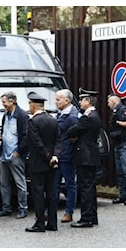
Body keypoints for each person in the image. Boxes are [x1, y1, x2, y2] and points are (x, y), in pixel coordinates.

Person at [25, 91, 60, 232]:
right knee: (51, 193)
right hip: (52, 163)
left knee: (38, 193)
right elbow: (58, 140)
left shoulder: (33, 122)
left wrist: (47, 156)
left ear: (33, 106)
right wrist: (55, 156)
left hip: (38, 163)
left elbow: (36, 142)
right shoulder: (53, 119)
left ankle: (39, 223)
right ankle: (52, 223)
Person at [68, 91, 101, 228]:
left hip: (85, 156)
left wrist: (73, 134)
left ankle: (86, 218)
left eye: (82, 100)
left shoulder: (87, 117)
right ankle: (92, 216)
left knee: (85, 188)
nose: (80, 103)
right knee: (91, 187)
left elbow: (72, 131)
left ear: (88, 101)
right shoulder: (95, 115)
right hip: (91, 156)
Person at [0, 92, 29, 219]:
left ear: (12, 101)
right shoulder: (5, 116)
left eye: (4, 102)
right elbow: (7, 133)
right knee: (4, 183)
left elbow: (26, 136)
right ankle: (6, 208)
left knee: (20, 183)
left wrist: (18, 152)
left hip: (15, 155)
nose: (3, 105)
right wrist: (0, 136)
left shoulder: (22, 116)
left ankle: (23, 208)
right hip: (4, 154)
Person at [107, 93, 126, 206]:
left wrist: (119, 122)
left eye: (109, 102)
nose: (108, 104)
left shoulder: (123, 109)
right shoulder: (116, 111)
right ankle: (122, 195)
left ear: (114, 102)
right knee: (120, 172)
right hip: (118, 143)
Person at [53, 89, 79, 223]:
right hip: (58, 154)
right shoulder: (60, 114)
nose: (55, 102)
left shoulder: (72, 116)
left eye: (58, 100)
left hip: (67, 156)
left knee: (70, 184)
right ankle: (50, 211)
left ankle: (69, 212)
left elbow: (74, 136)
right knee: (54, 184)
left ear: (67, 101)